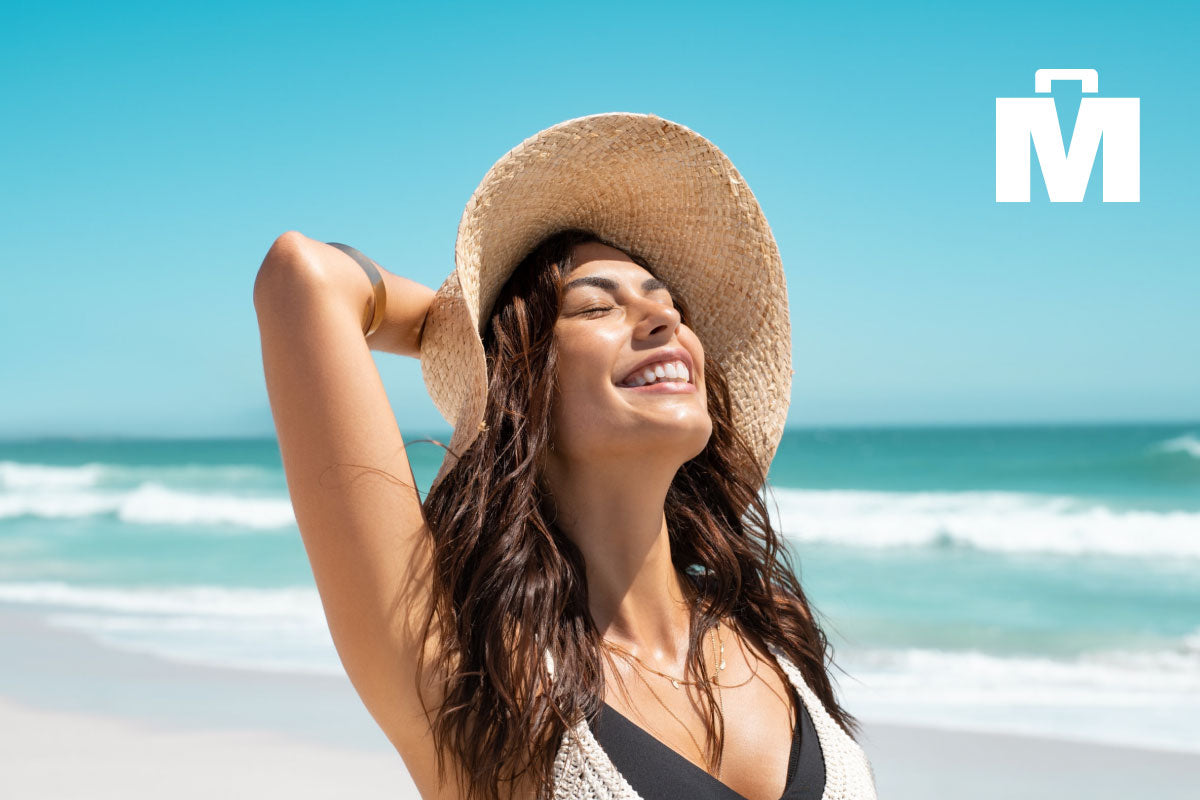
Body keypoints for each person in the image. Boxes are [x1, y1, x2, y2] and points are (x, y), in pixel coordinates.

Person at [253, 113, 877, 800]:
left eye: (668, 305)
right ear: (524, 387)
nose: (665, 319)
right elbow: (305, 277)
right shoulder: (474, 676)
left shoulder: (773, 629)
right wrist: (467, 338)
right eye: (593, 308)